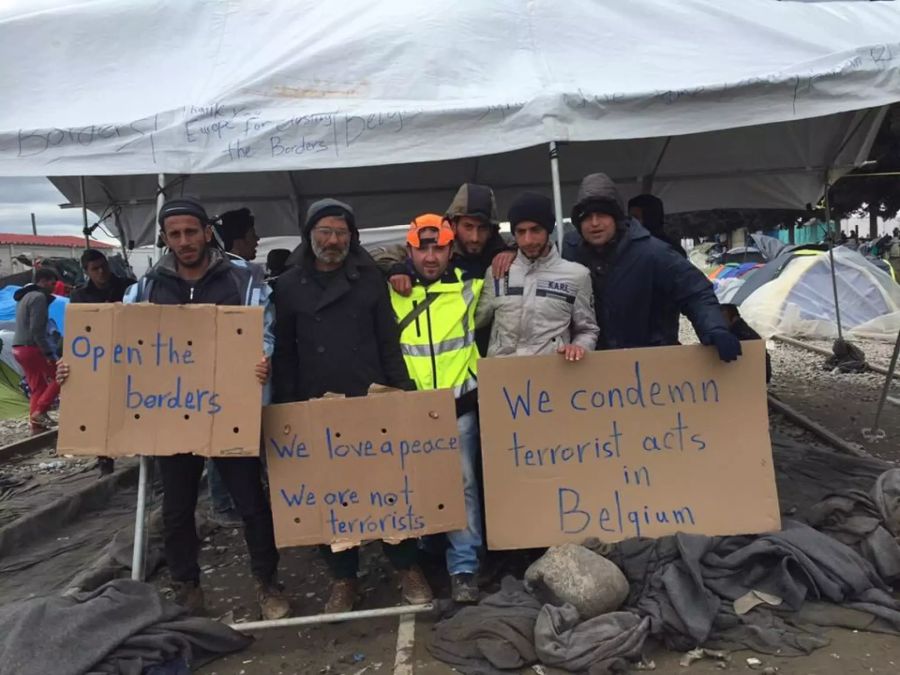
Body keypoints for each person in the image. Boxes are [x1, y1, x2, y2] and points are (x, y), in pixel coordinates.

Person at [58, 197, 290, 620]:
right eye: (175, 234)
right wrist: (76, 368)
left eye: (191, 232)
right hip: (169, 414)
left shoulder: (246, 278)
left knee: (251, 503)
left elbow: (264, 331)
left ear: (206, 232)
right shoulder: (145, 287)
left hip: (228, 411)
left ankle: (267, 582)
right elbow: (116, 345)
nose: (184, 241)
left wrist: (262, 358)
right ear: (165, 238)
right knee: (177, 509)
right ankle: (188, 588)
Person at [272, 198, 433, 613]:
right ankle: (344, 579)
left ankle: (406, 568)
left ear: (352, 237)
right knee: (332, 497)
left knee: (389, 490)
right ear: (310, 237)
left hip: (371, 399)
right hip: (317, 403)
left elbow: (388, 340)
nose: (333, 240)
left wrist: (402, 391)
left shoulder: (368, 279)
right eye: (325, 232)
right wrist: (287, 408)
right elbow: (286, 353)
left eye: (341, 233)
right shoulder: (288, 287)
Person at [388, 214, 484, 602]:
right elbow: (361, 259)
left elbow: (499, 254)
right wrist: (394, 266)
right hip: (409, 410)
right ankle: (428, 553)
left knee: (462, 487)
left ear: (451, 249)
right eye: (421, 248)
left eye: (439, 248)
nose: (430, 257)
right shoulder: (390, 288)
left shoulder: (471, 284)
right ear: (408, 249)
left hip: (459, 407)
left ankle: (464, 568)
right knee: (416, 486)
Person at [566, 173, 741, 360]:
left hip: (651, 360)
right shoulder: (570, 252)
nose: (594, 223)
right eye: (587, 217)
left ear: (616, 219)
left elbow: (694, 291)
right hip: (592, 363)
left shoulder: (652, 252)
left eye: (601, 215)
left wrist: (714, 328)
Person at [388, 183, 515, 354]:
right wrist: (396, 268)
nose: (475, 237)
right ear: (453, 225)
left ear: (492, 230)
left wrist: (513, 251)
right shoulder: (437, 247)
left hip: (491, 353)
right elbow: (383, 254)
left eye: (482, 228)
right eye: (468, 227)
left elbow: (535, 245)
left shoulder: (503, 248)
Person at [476, 193, 599, 359]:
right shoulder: (497, 271)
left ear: (548, 229)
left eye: (535, 230)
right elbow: (474, 323)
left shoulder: (577, 275)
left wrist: (579, 347)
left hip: (552, 375)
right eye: (521, 232)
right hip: (503, 375)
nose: (528, 240)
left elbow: (587, 329)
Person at [69, 249, 130, 474]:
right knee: (101, 408)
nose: (102, 272)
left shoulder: (128, 286)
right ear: (87, 272)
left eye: (103, 266)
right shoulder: (79, 296)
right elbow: (77, 329)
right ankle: (104, 456)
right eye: (95, 269)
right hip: (98, 358)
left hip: (130, 355)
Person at [13, 267, 60, 434]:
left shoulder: (24, 297)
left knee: (37, 388)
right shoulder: (39, 297)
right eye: (53, 283)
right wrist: (48, 353)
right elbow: (37, 329)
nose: (54, 287)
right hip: (33, 347)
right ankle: (40, 412)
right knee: (60, 377)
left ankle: (36, 427)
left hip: (18, 347)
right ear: (43, 281)